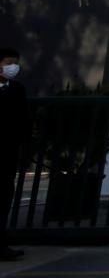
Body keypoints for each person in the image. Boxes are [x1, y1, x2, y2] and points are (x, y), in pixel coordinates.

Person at [0, 46, 28, 261]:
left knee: (4, 197)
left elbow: (22, 120)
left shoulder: (17, 89)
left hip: (8, 151)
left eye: (15, 63)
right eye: (8, 62)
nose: (13, 67)